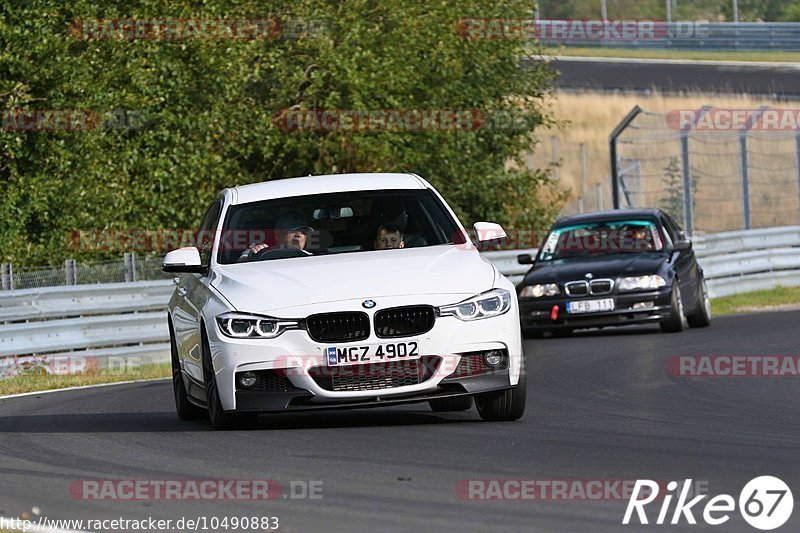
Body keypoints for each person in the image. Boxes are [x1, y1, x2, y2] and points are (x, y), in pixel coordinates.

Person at [238, 212, 314, 261]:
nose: (299, 235)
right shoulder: (260, 248)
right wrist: (253, 255)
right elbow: (240, 262)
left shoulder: (309, 257)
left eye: (303, 232)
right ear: (277, 234)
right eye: (293, 230)